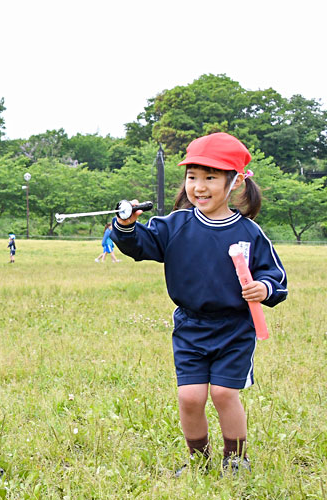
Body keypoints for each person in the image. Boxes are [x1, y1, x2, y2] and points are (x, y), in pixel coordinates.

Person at [110, 133, 288, 476]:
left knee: (223, 393)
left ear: (234, 182)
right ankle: (199, 463)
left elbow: (275, 277)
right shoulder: (175, 225)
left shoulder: (249, 233)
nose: (199, 186)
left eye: (210, 177)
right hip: (190, 326)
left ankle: (235, 460)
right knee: (190, 397)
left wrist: (263, 289)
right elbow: (139, 244)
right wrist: (127, 225)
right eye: (192, 177)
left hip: (235, 328)